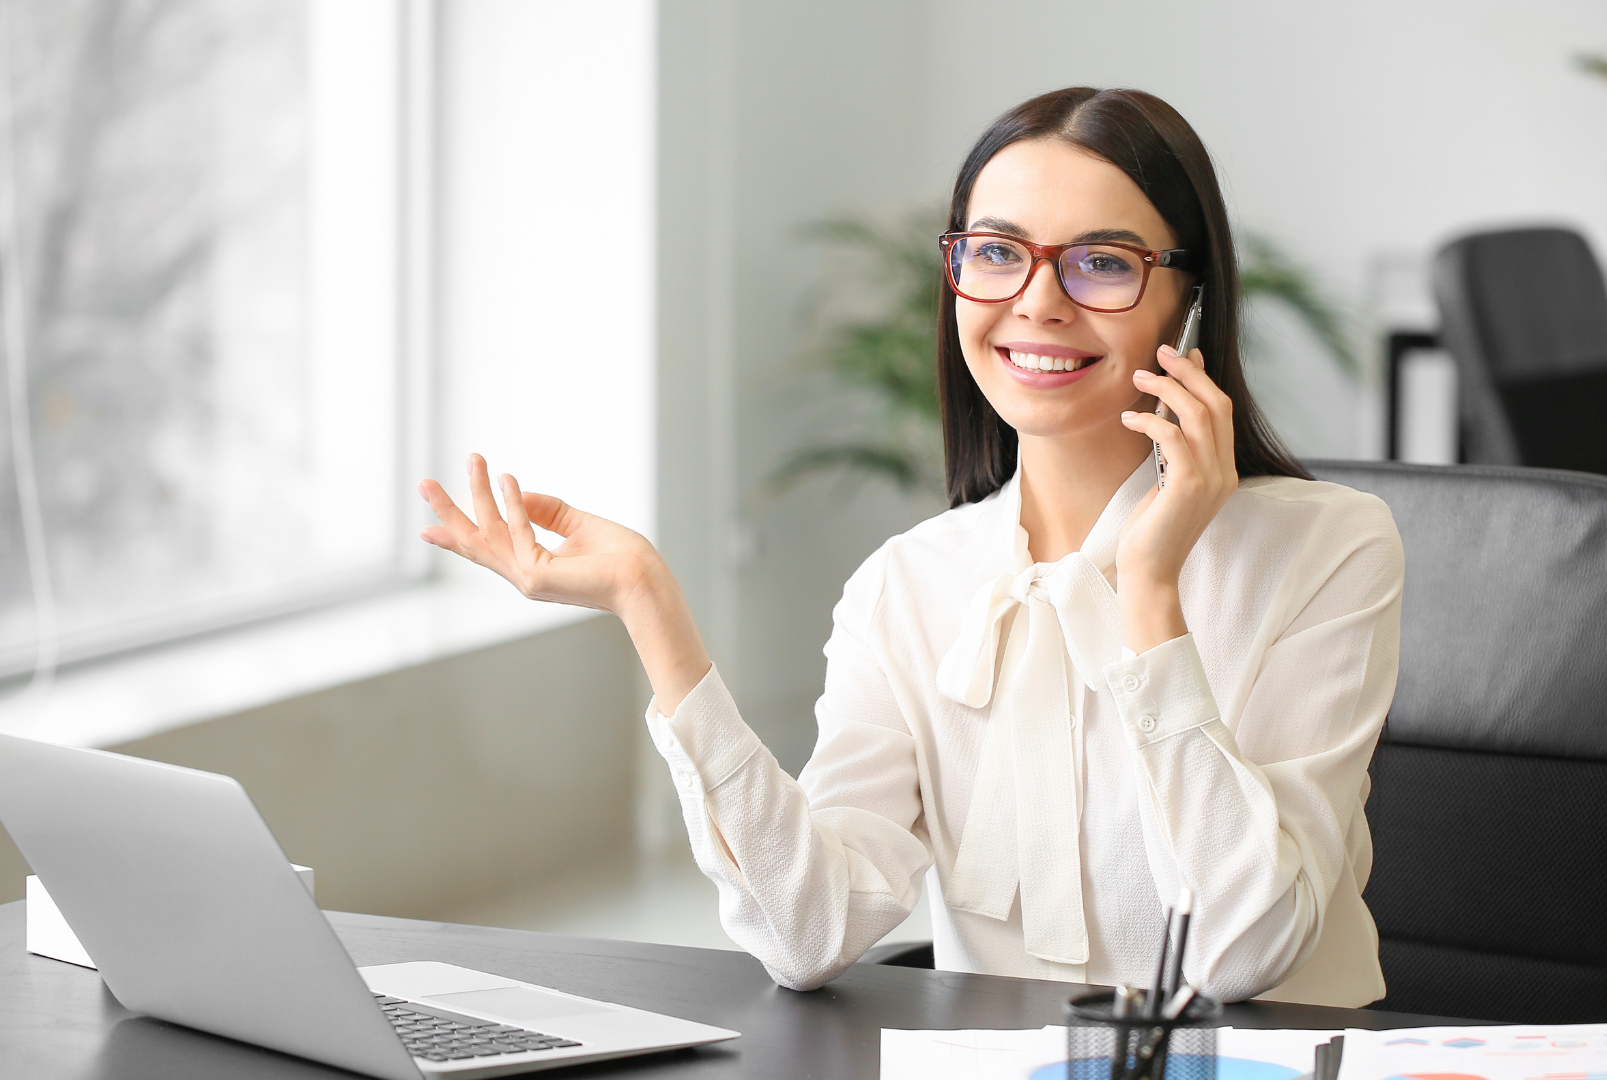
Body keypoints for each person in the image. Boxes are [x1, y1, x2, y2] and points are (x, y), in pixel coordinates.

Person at [418, 87, 1402, 1006]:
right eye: (997, 252)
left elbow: (1244, 951)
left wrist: (1149, 595)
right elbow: (809, 927)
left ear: (1190, 306)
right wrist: (648, 604)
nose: (1039, 301)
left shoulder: (1329, 548)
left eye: (1103, 262)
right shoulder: (911, 586)